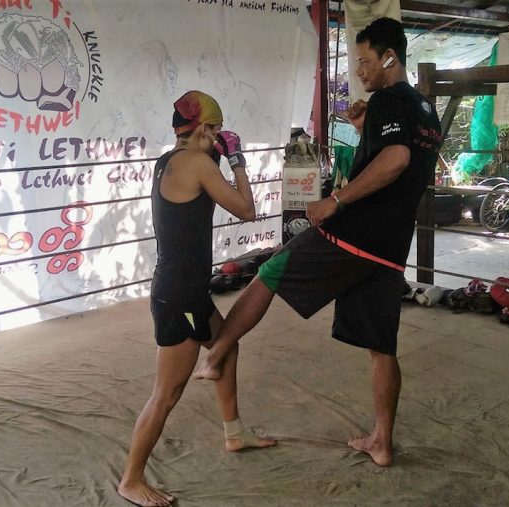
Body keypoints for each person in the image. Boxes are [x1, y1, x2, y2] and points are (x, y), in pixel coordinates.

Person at [194, 17, 442, 468]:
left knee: (270, 271)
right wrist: (366, 127)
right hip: (390, 245)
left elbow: (395, 159)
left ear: (390, 58)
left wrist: (336, 201)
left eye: (365, 62)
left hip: (355, 234)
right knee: (382, 347)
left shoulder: (388, 99)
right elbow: (401, 156)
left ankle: (215, 356)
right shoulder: (424, 110)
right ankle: (382, 442)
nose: (359, 72)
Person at [118, 90, 276, 507]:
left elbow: (199, 193)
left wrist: (215, 154)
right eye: (217, 130)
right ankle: (130, 480)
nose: (220, 137)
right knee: (166, 393)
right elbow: (246, 209)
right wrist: (237, 160)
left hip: (186, 290)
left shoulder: (168, 161)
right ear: (205, 128)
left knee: (226, 347)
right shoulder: (198, 163)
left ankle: (234, 433)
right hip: (178, 298)